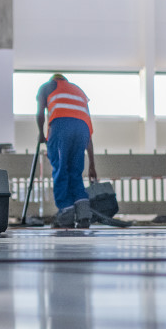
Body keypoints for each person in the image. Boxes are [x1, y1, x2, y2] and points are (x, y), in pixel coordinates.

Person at [36, 73, 98, 228]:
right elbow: (88, 131)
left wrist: (41, 133)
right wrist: (92, 164)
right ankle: (84, 215)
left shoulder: (47, 87)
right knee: (75, 172)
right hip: (83, 130)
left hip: (61, 126)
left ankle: (66, 215)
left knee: (61, 170)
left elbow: (40, 114)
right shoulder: (78, 90)